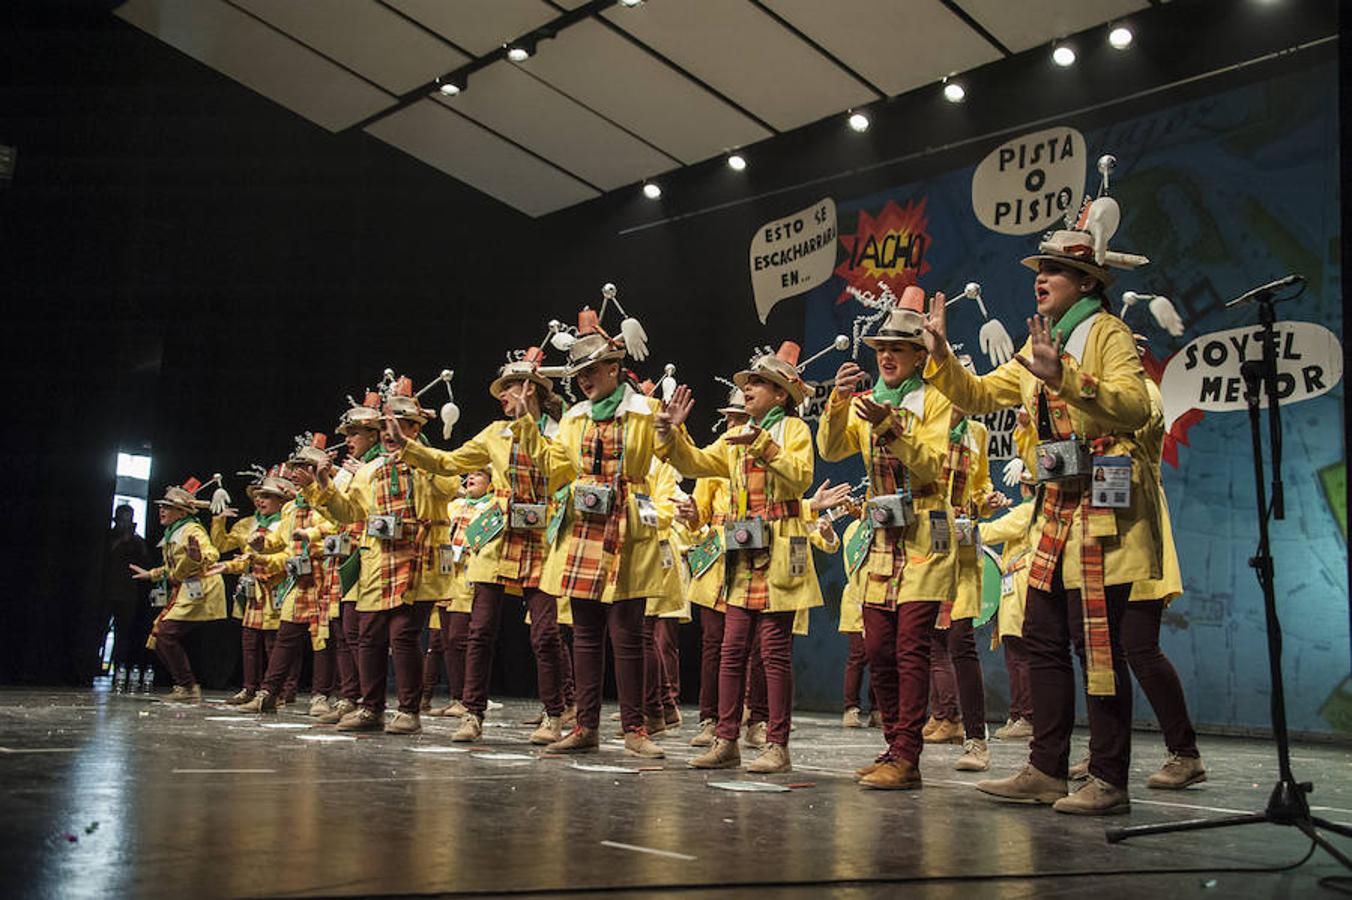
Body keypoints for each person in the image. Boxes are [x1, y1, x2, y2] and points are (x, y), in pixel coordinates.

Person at [922, 220, 1158, 815]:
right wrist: (944, 356)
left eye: (1051, 271)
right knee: (1044, 640)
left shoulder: (1107, 333)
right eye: (1038, 271)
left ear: (1085, 281)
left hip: (1105, 510)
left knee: (1096, 644)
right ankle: (1046, 768)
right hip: (1055, 509)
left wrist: (1067, 377)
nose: (1040, 280)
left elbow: (1132, 406)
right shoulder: (1036, 345)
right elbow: (977, 396)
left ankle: (1109, 778)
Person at [389, 351, 574, 746]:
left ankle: (555, 715)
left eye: (509, 389)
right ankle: (472, 713)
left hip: (543, 535)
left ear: (532, 391)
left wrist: (527, 424)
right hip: (499, 534)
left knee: (545, 634)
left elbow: (557, 471)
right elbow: (451, 462)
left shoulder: (562, 432)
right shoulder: (494, 433)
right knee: (480, 631)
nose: (503, 398)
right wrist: (409, 446)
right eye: (504, 391)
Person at [658, 342, 824, 774]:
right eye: (748, 382)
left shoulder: (793, 432)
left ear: (780, 394)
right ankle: (726, 738)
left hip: (780, 546)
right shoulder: (732, 437)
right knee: (731, 650)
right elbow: (695, 463)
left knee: (773, 653)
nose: (747, 389)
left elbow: (801, 477)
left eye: (758, 383)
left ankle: (776, 744)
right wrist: (671, 435)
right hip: (742, 553)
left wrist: (765, 447)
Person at [816, 293, 956, 791]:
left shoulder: (937, 400)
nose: (887, 356)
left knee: (911, 645)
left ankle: (907, 755)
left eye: (899, 347)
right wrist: (837, 401)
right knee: (877, 645)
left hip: (923, 531)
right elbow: (831, 449)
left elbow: (933, 466)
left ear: (921, 354)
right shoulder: (866, 401)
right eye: (881, 349)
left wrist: (889, 429)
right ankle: (895, 744)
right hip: (880, 535)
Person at [507, 329, 668, 759]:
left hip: (627, 528)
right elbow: (555, 469)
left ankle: (635, 729)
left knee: (628, 636)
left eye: (591, 370)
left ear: (614, 368)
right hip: (583, 529)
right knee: (585, 636)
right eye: (578, 373)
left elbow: (676, 456)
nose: (583, 380)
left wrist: (671, 433)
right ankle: (586, 727)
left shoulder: (645, 411)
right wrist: (525, 421)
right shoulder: (576, 417)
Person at [295, 377, 461, 735]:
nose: (390, 432)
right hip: (377, 563)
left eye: (399, 425)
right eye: (385, 425)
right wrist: (321, 486)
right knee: (368, 635)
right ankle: (371, 709)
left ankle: (408, 710)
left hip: (418, 560)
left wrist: (415, 456)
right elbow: (348, 514)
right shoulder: (369, 471)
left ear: (415, 429)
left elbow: (450, 486)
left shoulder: (432, 464)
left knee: (403, 635)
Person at [1069, 366, 1204, 789]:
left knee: (1139, 648)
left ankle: (1185, 754)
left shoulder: (1141, 393)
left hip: (1135, 531)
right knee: (1101, 651)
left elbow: (1134, 432)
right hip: (1103, 536)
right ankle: (1103, 752)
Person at [926, 389, 1011, 772]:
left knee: (961, 640)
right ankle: (908, 735)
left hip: (961, 545)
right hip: (922, 544)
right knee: (914, 641)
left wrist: (986, 500)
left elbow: (979, 486)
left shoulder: (977, 432)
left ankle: (976, 740)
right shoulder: (925, 424)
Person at [315, 393, 385, 726]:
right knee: (346, 630)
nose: (348, 441)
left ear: (374, 434)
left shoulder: (382, 464)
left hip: (377, 552)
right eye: (346, 435)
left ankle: (367, 702)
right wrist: (323, 483)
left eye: (354, 434)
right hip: (352, 552)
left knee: (365, 632)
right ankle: (350, 697)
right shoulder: (351, 470)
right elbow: (338, 512)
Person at [130, 478, 227, 702]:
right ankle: (185, 685)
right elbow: (173, 566)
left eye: (168, 507)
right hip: (186, 588)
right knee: (161, 636)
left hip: (201, 589)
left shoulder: (191, 530)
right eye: (161, 506)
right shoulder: (174, 531)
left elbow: (212, 555)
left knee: (165, 634)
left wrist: (197, 556)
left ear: (181, 512)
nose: (161, 510)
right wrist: (152, 574)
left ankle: (188, 687)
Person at [211, 469, 294, 705]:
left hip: (277, 585)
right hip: (252, 587)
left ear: (282, 500)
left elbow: (289, 555)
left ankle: (276, 691)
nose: (260, 500)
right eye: (258, 495)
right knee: (249, 640)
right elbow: (222, 544)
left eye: (266, 496)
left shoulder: (286, 524)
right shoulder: (248, 524)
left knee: (273, 641)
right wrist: (219, 519)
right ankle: (249, 688)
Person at [425, 466, 494, 719]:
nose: (472, 478)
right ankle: (456, 698)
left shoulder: (490, 506)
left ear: (490, 483)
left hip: (469, 578)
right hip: (446, 578)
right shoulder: (455, 505)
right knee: (447, 642)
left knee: (460, 639)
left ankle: (469, 697)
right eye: (471, 474)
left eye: (480, 475)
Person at [104, 503, 151, 692]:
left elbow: (147, 560)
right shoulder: (109, 536)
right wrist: (121, 539)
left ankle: (120, 672)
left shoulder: (137, 541)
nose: (125, 521)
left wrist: (133, 539)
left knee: (124, 635)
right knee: (100, 631)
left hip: (128, 593)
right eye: (122, 517)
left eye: (128, 517)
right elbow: (105, 555)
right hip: (106, 591)